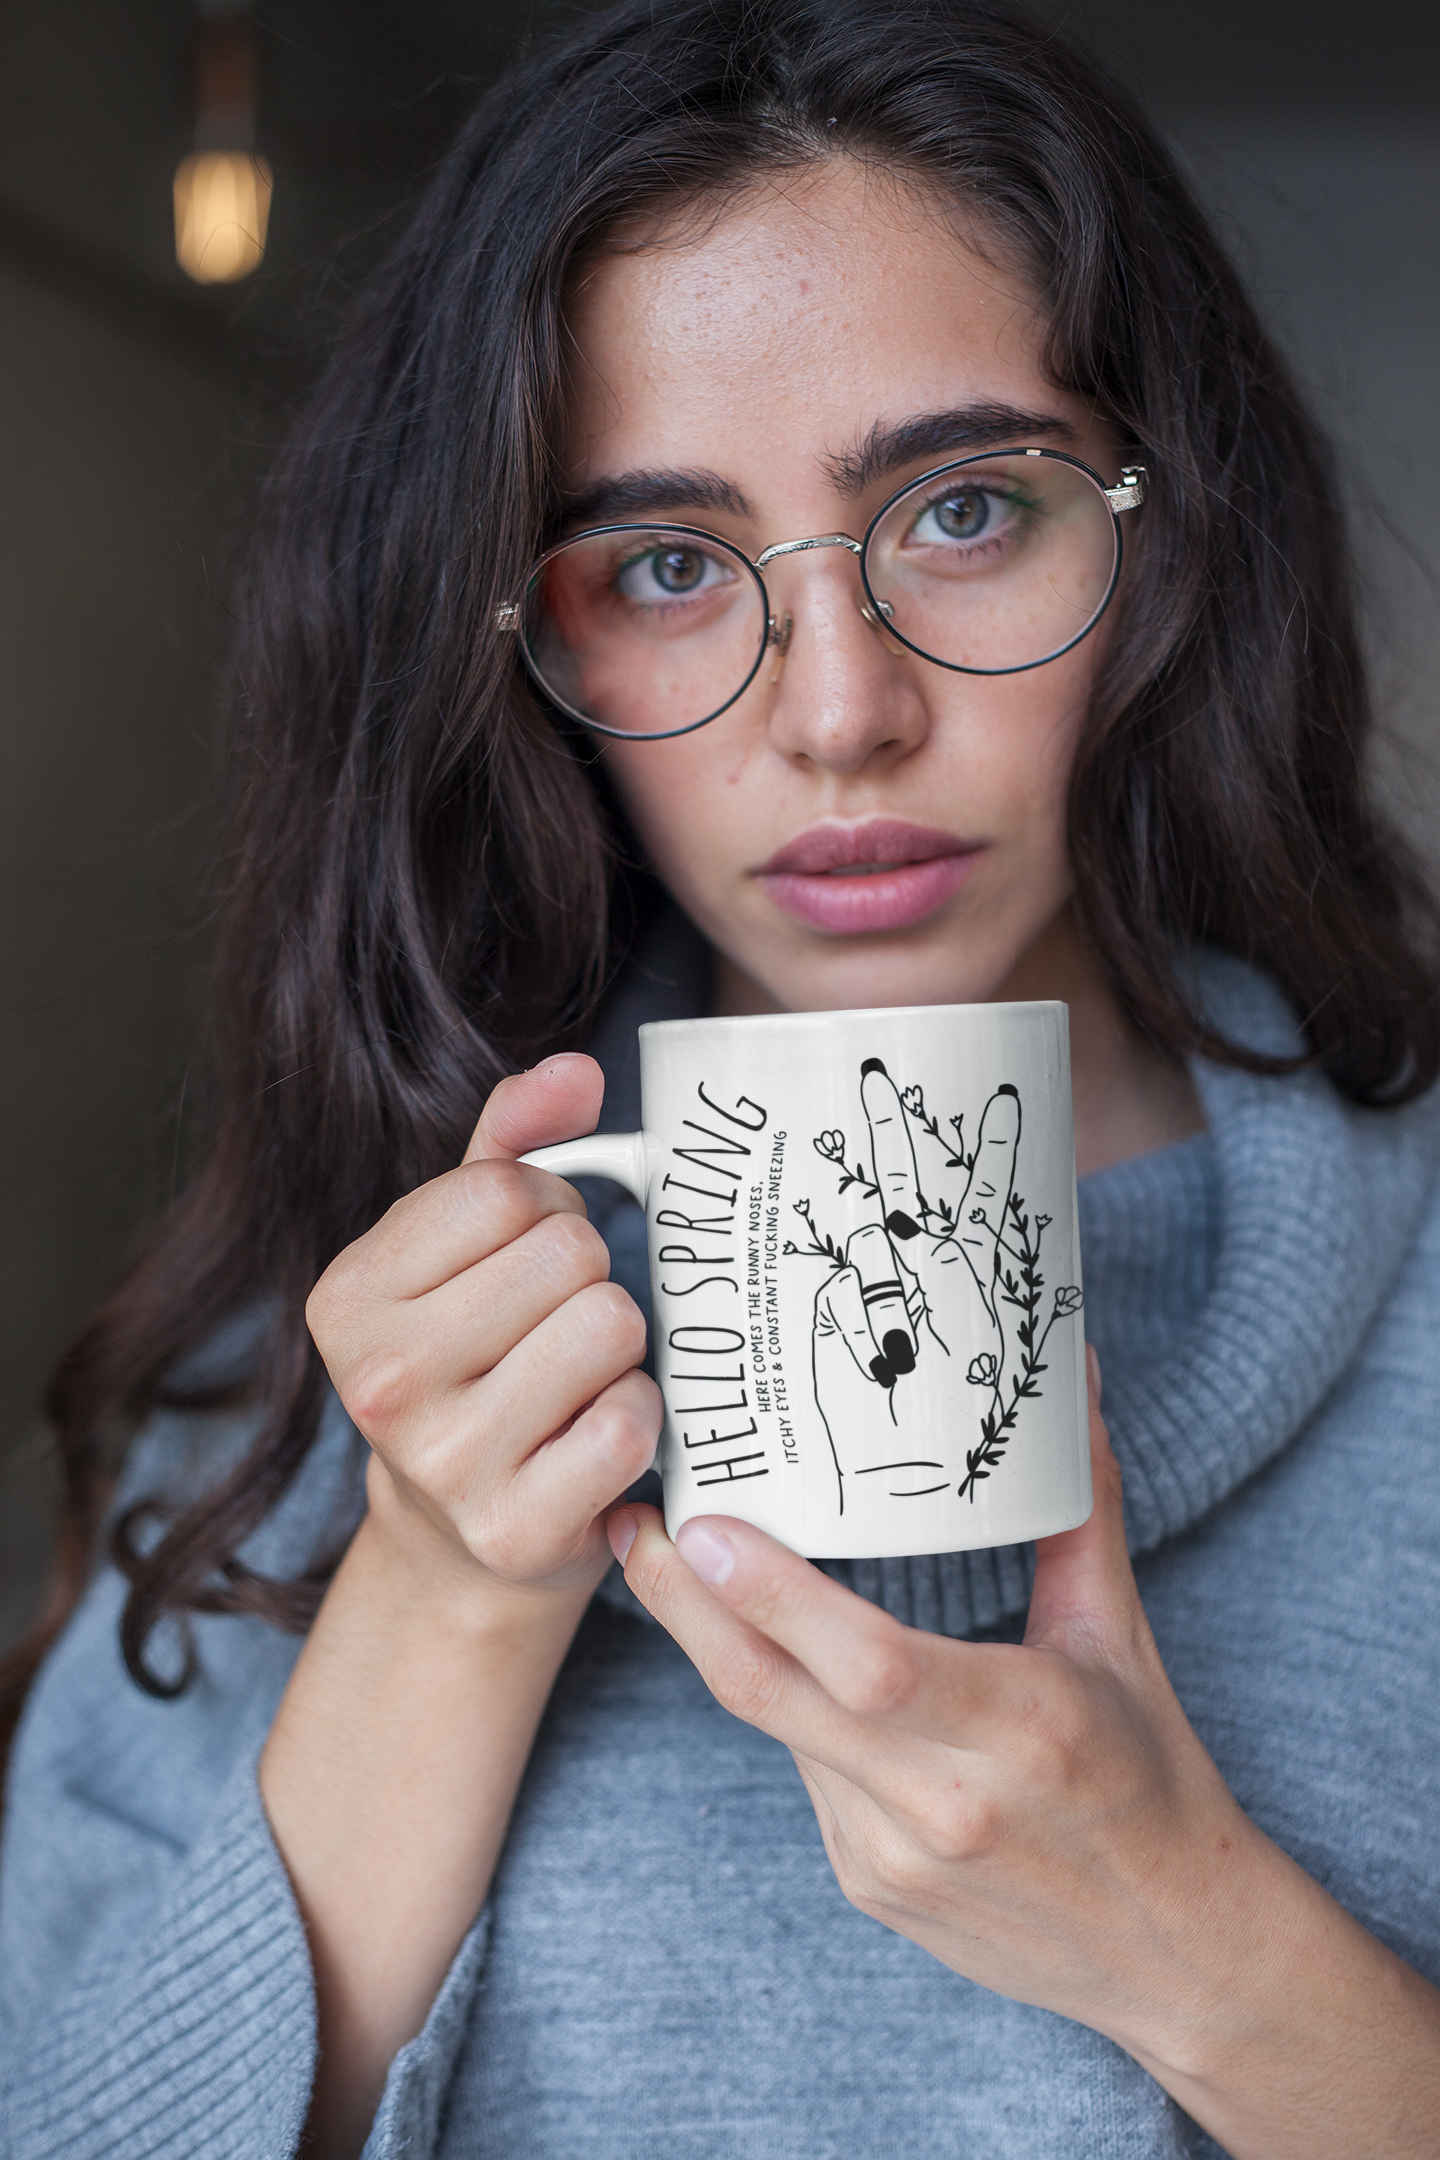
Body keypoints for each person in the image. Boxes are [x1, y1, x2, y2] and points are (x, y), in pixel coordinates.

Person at [3, 2, 1439, 2155]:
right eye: (667, 569)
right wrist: (440, 1597)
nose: (839, 711)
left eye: (966, 511)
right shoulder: (316, 1366)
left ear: (1165, 538)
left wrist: (1207, 1953)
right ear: (522, 650)